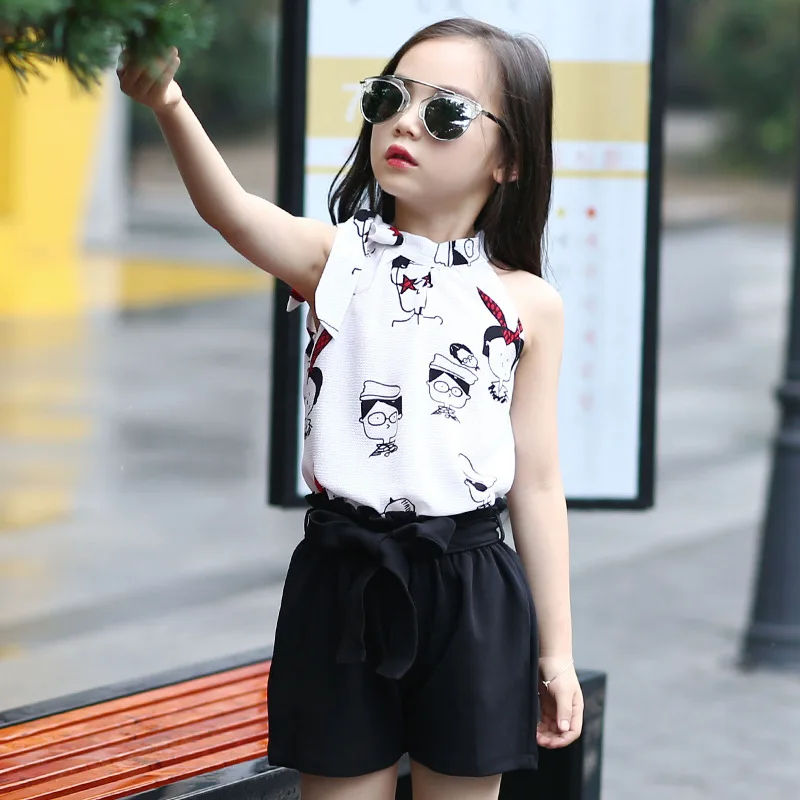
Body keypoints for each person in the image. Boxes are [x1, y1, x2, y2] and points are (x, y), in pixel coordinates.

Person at [118, 16, 584, 800]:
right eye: (390, 98)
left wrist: (557, 652)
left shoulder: (529, 304)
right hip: (341, 577)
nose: (405, 123)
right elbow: (231, 211)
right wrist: (169, 103)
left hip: (472, 588)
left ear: (508, 159)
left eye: (446, 112)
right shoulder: (336, 260)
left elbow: (536, 483)